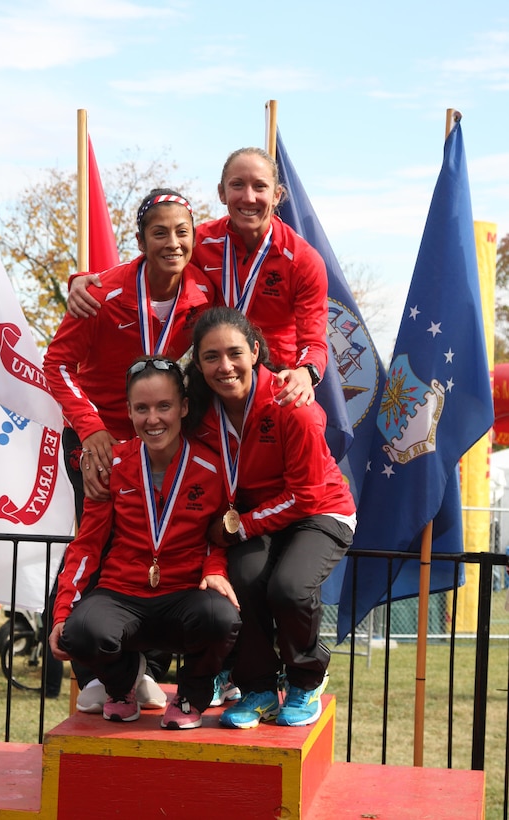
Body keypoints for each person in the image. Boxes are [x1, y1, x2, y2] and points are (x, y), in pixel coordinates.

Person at [44, 188, 216, 710]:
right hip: (99, 443)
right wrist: (92, 428)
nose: (172, 242)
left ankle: (147, 670)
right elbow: (57, 365)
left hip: (164, 442)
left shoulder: (205, 295)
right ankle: (99, 676)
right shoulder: (103, 292)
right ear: (139, 241)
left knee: (161, 550)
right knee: (95, 552)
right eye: (159, 232)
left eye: (182, 232)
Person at [185, 307, 356, 729]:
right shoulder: (200, 415)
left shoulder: (292, 404)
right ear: (198, 362)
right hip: (257, 516)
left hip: (319, 511)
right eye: (210, 357)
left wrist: (240, 526)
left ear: (255, 351)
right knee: (242, 579)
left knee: (289, 588)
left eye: (234, 353)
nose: (224, 366)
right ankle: (258, 687)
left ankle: (306, 678)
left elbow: (306, 494)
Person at [49, 355, 241, 728]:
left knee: (222, 618)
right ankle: (121, 685)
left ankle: (190, 697)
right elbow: (87, 546)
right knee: (79, 632)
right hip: (122, 593)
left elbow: (218, 539)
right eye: (142, 408)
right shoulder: (113, 467)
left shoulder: (213, 469)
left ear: (183, 407)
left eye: (164, 406)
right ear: (129, 411)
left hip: (183, 595)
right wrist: (61, 615)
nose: (153, 419)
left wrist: (215, 570)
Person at [67, 147, 328, 409]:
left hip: (274, 385)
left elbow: (313, 340)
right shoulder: (199, 242)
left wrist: (307, 373)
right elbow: (148, 264)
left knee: (306, 423)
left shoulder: (303, 260)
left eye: (260, 187)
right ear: (222, 193)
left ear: (277, 195)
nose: (249, 197)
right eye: (237, 185)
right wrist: (87, 278)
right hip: (211, 380)